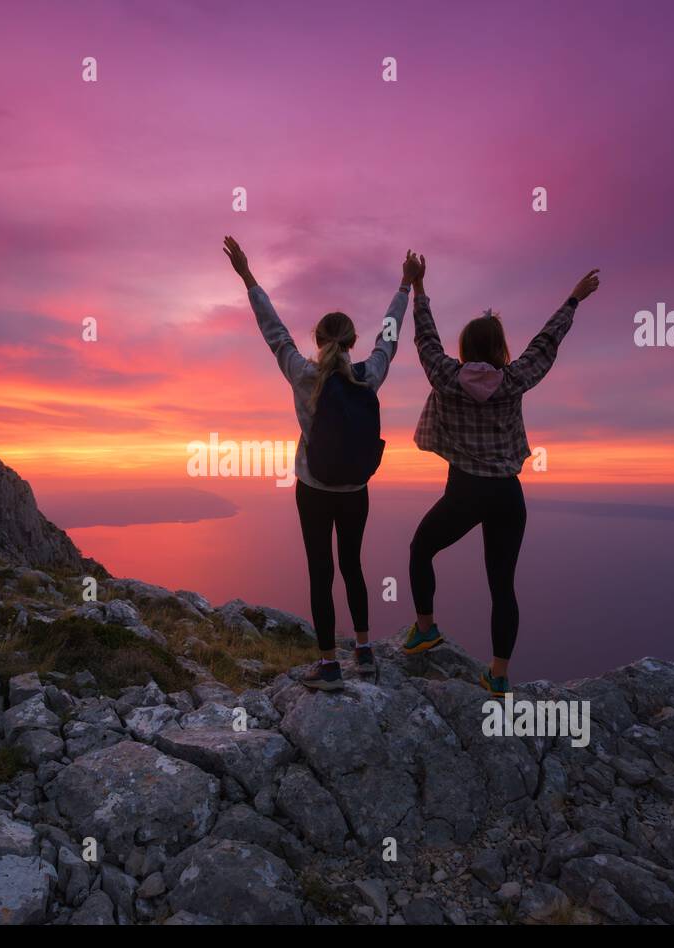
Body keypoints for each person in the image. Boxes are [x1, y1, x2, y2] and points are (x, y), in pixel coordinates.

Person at [224, 235, 422, 690]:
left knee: (321, 570)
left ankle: (330, 665)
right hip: (355, 490)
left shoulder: (303, 374)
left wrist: (248, 277)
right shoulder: (368, 376)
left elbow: (274, 333)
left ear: (317, 340)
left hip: (313, 489)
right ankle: (366, 652)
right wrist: (405, 287)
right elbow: (388, 338)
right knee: (353, 566)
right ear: (353, 341)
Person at [402, 256, 601, 696]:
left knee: (421, 548)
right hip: (508, 495)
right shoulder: (515, 379)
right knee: (502, 585)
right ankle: (498, 674)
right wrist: (573, 300)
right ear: (499, 348)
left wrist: (418, 288)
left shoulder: (445, 377)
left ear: (466, 347)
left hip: (465, 491)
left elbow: (425, 338)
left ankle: (425, 628)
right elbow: (545, 344)